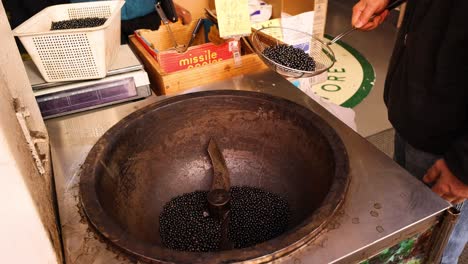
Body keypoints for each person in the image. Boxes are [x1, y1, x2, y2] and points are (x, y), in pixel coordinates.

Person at [351, 0, 468, 263]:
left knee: (431, 250)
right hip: (417, 109)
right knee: (403, 228)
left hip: (449, 147)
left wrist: (464, 168)